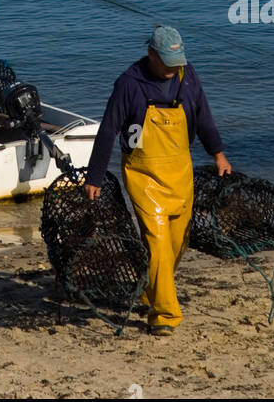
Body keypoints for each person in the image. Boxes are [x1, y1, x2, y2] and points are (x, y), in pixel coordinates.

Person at [84, 26, 230, 335]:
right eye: (168, 61)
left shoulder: (186, 75)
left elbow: (203, 116)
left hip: (179, 170)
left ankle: (151, 291)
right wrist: (95, 174)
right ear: (151, 55)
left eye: (178, 60)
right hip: (143, 174)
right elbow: (109, 128)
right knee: (157, 241)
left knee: (178, 242)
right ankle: (165, 315)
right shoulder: (128, 84)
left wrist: (218, 153)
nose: (174, 67)